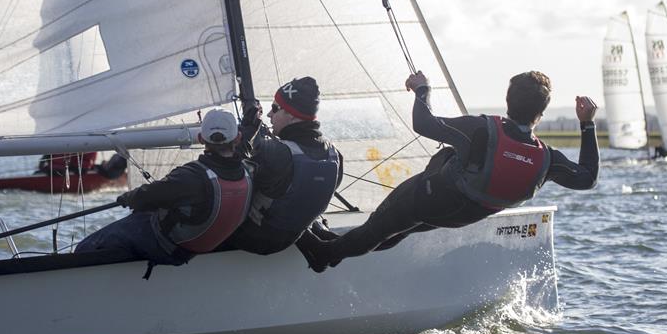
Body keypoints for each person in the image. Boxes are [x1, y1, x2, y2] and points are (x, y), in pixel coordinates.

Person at [297, 70, 599, 273]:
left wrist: (422, 90)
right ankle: (328, 244)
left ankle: (318, 250)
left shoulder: (481, 129)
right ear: (542, 113)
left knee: (379, 229)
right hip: (458, 217)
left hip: (428, 198)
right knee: (392, 233)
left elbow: (424, 123)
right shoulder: (546, 159)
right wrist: (587, 123)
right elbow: (587, 178)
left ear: (507, 102)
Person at [75, 108, 254, 277]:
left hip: (168, 247)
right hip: (198, 247)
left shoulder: (192, 176)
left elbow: (145, 197)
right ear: (237, 138)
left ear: (200, 138)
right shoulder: (248, 172)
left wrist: (128, 198)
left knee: (85, 247)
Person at [216, 77, 343, 255]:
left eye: (275, 108)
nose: (269, 115)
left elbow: (225, 173)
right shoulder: (334, 154)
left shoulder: (274, 153)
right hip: (290, 237)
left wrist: (246, 132)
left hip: (251, 238)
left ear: (291, 116)